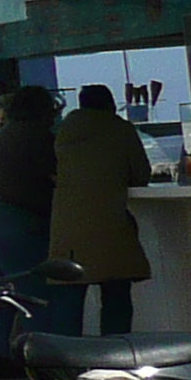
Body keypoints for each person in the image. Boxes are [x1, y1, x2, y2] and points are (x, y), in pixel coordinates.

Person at [50, 82, 154, 337]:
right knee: (116, 293)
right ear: (109, 104)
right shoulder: (120, 129)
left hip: (66, 227)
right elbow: (140, 174)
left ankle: (66, 355)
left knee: (70, 297)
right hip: (109, 223)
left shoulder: (62, 132)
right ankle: (113, 352)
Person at [0, 85, 58, 375]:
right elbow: (56, 174)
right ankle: (39, 357)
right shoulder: (37, 135)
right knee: (35, 293)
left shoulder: (6, 133)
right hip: (14, 220)